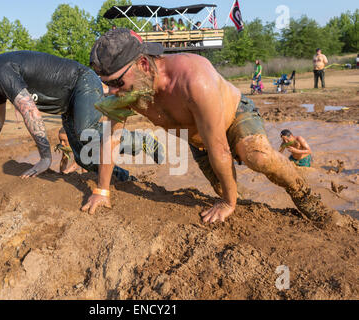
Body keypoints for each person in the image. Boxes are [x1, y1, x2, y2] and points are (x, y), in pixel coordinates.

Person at [86, 28, 343, 226]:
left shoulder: (192, 78)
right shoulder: (129, 92)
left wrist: (228, 203)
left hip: (233, 116)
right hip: (198, 139)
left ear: (143, 65)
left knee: (257, 156)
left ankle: (305, 195)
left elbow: (219, 147)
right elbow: (110, 138)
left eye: (117, 82)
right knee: (224, 185)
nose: (112, 91)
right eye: (107, 83)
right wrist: (102, 191)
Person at [0, 49, 164, 181]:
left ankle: (144, 141)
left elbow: (30, 111)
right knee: (84, 158)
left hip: (81, 82)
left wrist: (45, 157)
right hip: (67, 103)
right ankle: (123, 178)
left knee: (89, 136)